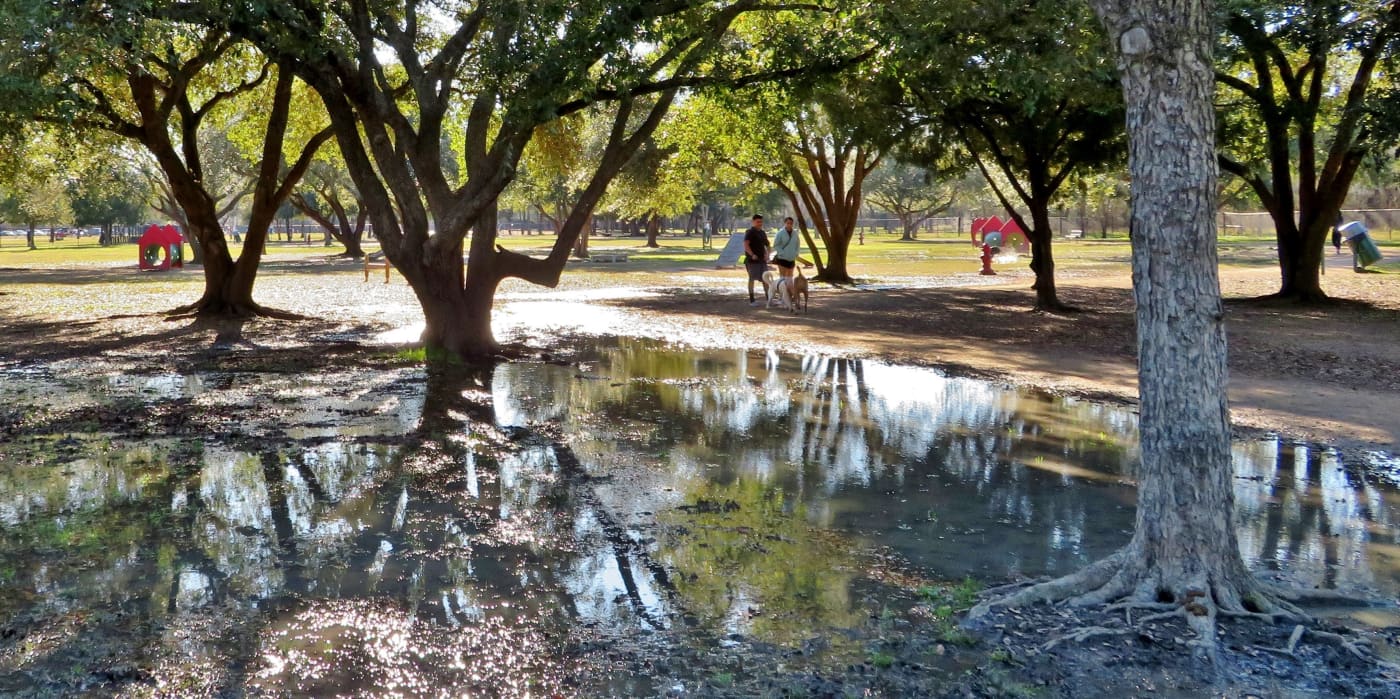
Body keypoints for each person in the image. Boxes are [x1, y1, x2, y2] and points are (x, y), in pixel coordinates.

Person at [742, 214, 770, 305]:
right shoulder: (750, 232)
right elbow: (746, 245)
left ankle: (769, 298)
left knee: (766, 279)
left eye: (761, 222)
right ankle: (752, 300)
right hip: (752, 261)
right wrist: (752, 254)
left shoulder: (762, 233)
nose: (760, 224)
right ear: (753, 222)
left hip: (762, 260)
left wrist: (767, 254)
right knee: (752, 279)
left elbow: (768, 245)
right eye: (758, 222)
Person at [771, 216, 802, 290]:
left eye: (791, 223)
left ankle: (789, 295)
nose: (789, 225)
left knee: (790, 278)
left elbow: (797, 244)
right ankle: (781, 296)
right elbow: (776, 245)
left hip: (791, 258)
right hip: (782, 258)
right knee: (782, 278)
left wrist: (796, 253)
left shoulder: (795, 233)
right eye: (788, 223)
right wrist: (782, 252)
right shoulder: (780, 233)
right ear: (785, 223)